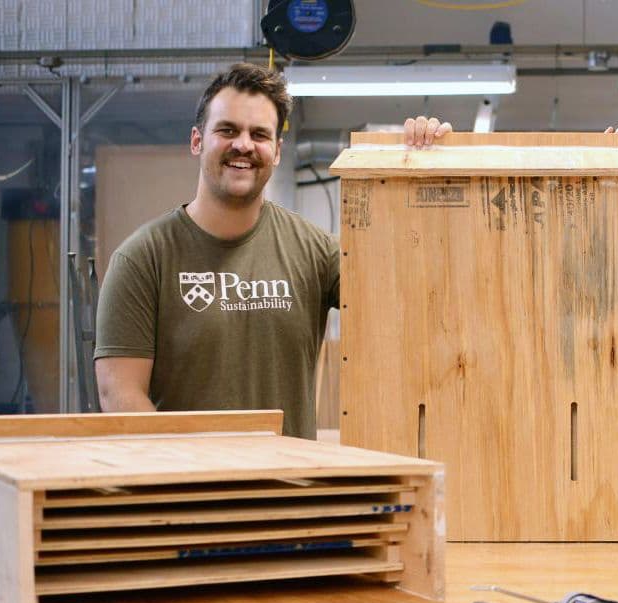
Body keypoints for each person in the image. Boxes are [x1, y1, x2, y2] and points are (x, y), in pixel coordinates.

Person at [94, 62, 452, 439]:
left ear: (277, 151)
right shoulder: (143, 259)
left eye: (259, 134)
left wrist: (423, 167)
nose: (244, 145)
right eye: (228, 130)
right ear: (197, 140)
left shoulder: (317, 252)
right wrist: (190, 479)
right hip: (192, 492)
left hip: (290, 492)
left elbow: (415, 294)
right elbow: (120, 394)